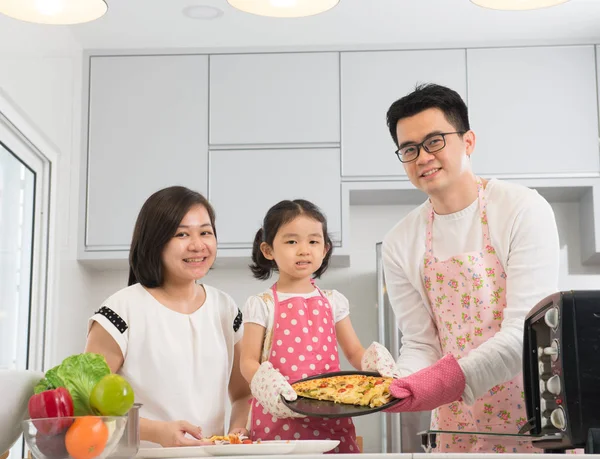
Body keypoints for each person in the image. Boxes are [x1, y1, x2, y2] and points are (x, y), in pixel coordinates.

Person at [381, 84, 560, 453]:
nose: (422, 157)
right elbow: (420, 343)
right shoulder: (399, 243)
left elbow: (528, 333)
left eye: (434, 141)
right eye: (409, 149)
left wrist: (438, 382)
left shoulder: (522, 209)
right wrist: (397, 383)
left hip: (536, 417)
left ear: (468, 141)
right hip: (455, 428)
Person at [85, 186, 251, 447]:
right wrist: (155, 432)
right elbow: (88, 403)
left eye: (205, 232)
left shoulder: (225, 308)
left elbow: (243, 394)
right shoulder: (120, 310)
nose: (198, 245)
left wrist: (237, 431)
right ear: (155, 241)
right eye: (182, 234)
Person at [239, 199, 398, 454]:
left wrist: (374, 362)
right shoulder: (262, 304)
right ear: (268, 250)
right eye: (292, 242)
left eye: (313, 241)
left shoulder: (333, 301)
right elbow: (247, 361)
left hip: (330, 412)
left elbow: (354, 352)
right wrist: (270, 389)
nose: (304, 250)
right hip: (277, 415)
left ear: (324, 249)